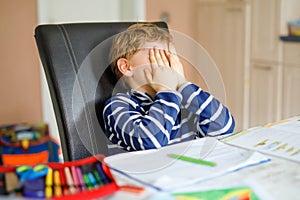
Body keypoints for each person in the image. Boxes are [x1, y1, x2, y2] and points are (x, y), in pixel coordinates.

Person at [103, 23, 235, 151]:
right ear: (126, 67)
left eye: (170, 58)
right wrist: (165, 90)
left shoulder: (184, 103)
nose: (166, 65)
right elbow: (151, 141)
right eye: (157, 57)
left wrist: (182, 84)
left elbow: (224, 128)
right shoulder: (117, 106)